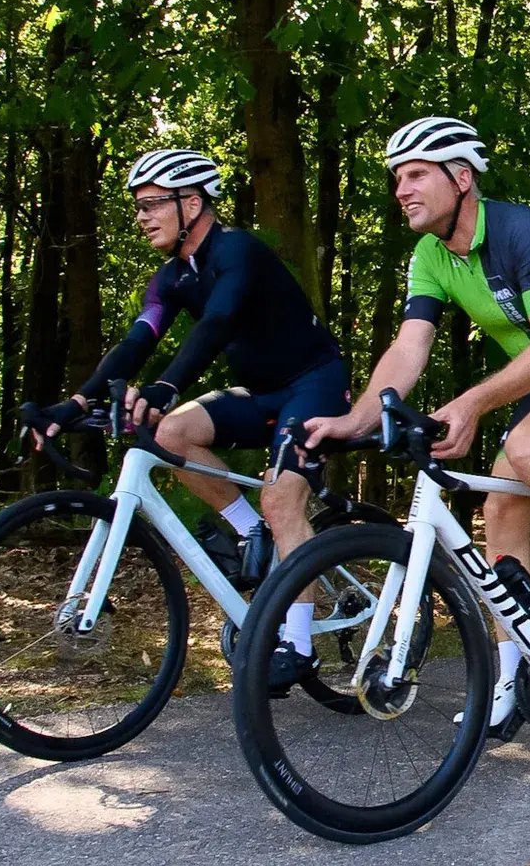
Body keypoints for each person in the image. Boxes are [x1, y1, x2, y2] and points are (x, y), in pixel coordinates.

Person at [303, 117, 530, 728]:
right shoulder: (430, 255)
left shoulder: (521, 231)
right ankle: (512, 672)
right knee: (499, 509)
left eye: (416, 174)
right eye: (396, 179)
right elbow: (409, 349)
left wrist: (469, 404)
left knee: (529, 450)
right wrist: (355, 417)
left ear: (461, 178)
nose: (401, 190)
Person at [26, 148, 350, 692]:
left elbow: (219, 321)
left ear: (193, 203)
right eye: (138, 207)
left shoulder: (236, 251)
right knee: (167, 433)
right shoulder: (172, 278)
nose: (143, 216)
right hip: (262, 391)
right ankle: (254, 534)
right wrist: (77, 403)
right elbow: (137, 340)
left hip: (315, 384)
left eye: (153, 203)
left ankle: (297, 644)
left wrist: (164, 385)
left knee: (281, 498)